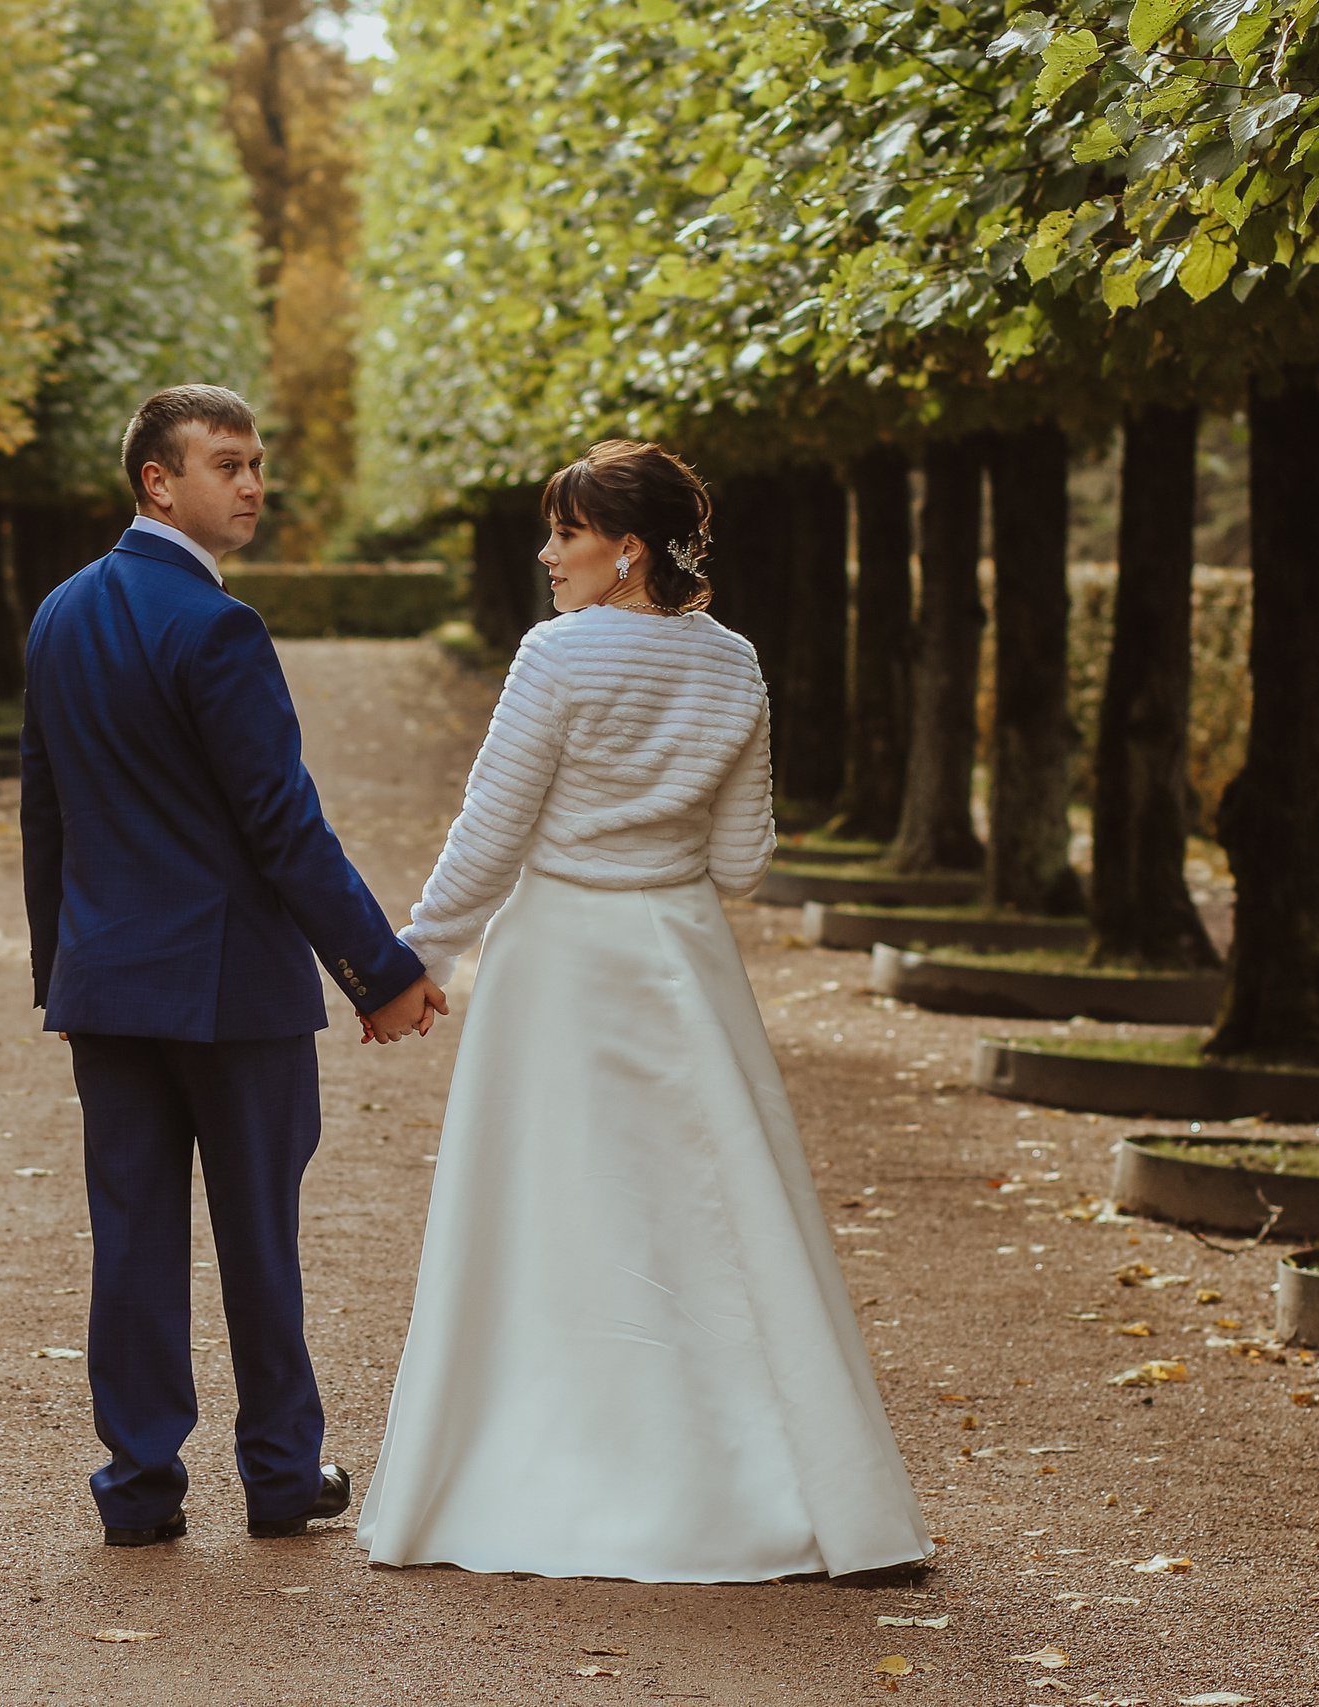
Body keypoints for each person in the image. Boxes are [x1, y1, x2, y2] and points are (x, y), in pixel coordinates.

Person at [354, 440, 932, 1582]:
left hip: (561, 962)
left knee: (551, 1212)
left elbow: (491, 833)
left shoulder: (555, 655)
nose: (546, 554)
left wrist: (411, 961)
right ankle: (781, 1488)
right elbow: (741, 861)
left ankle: (549, 1467)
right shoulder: (736, 662)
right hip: (683, 954)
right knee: (718, 1219)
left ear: (625, 550)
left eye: (564, 533)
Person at [20, 383, 451, 1548]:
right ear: (158, 483)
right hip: (230, 993)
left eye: (256, 462)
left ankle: (138, 1490)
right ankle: (278, 1476)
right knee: (258, 1238)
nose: (253, 484)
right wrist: (380, 972)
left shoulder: (58, 614)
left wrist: (59, 971)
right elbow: (283, 825)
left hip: (107, 988)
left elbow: (44, 816)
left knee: (131, 1241)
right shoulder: (219, 627)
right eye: (227, 464)